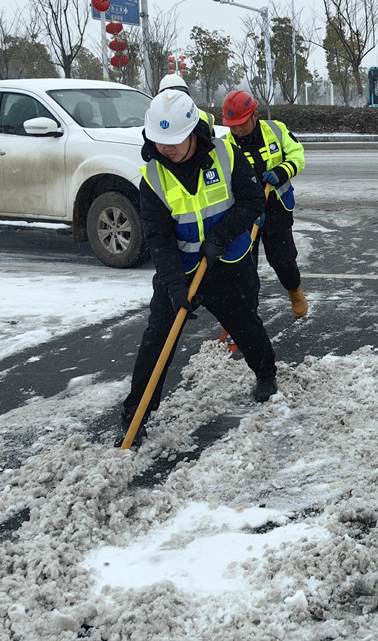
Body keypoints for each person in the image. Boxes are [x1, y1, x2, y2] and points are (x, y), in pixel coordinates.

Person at [121, 90, 278, 437]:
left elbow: (253, 201)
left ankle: (266, 374)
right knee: (157, 340)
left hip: (228, 264)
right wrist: (174, 284)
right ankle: (136, 414)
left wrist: (220, 237)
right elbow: (158, 238)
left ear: (193, 132)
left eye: (175, 140)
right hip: (181, 269)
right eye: (160, 141)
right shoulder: (153, 178)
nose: (167, 148)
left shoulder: (226, 155)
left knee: (246, 327)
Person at [220, 90, 309, 319]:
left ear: (254, 116)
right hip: (245, 215)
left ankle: (295, 291)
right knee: (245, 269)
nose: (237, 129)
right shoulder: (225, 146)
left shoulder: (276, 130)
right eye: (232, 126)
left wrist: (282, 171)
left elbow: (297, 156)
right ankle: (248, 313)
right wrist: (246, 211)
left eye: (241, 123)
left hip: (277, 208)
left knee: (283, 260)